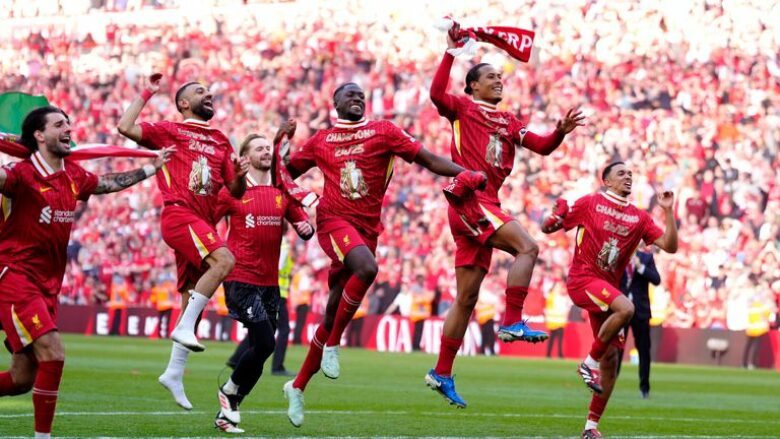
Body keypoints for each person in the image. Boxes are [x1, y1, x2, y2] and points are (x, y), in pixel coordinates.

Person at [282, 82, 482, 427]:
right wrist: (280, 151)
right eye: (350, 94)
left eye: (361, 95)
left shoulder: (384, 131)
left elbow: (428, 159)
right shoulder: (321, 140)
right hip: (333, 221)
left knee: (331, 313)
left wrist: (463, 172)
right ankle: (334, 345)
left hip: (367, 230)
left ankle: (297, 386)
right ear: (335, 103)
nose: (357, 98)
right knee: (367, 268)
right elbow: (285, 174)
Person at [424, 26, 585, 407]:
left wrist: (559, 132)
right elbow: (436, 94)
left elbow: (542, 147)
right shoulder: (462, 109)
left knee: (466, 299)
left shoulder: (509, 121)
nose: (499, 81)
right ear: (473, 86)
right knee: (528, 248)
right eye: (491, 77)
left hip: (484, 205)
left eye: (500, 77)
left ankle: (441, 372)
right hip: (471, 200)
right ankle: (512, 320)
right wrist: (450, 53)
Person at [0, 105, 172, 439]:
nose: (69, 128)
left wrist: (150, 169)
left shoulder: (74, 176)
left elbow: (106, 183)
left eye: (69, 123)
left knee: (22, 380)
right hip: (15, 277)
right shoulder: (21, 173)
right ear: (39, 135)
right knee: (54, 352)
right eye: (59, 124)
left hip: (48, 285)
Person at [117, 74, 250, 410]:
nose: (209, 93)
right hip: (179, 215)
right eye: (200, 91)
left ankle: (174, 372)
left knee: (192, 295)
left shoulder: (221, 140)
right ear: (184, 103)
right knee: (224, 261)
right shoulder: (170, 130)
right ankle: (185, 328)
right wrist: (147, 91)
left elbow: (235, 192)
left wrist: (240, 175)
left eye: (209, 90)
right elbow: (125, 127)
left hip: (202, 222)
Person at [541, 161, 678, 439]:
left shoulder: (639, 217)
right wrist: (554, 216)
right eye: (621, 173)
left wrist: (668, 211)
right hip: (583, 280)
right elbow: (548, 228)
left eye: (630, 173)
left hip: (606, 290)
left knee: (612, 361)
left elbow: (670, 246)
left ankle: (590, 427)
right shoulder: (590, 203)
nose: (628, 176)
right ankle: (588, 363)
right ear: (607, 181)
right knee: (627, 308)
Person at [212, 130, 313, 433]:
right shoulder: (233, 190)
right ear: (245, 157)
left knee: (262, 348)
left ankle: (228, 409)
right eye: (258, 148)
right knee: (267, 341)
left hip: (270, 284)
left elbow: (302, 221)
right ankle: (229, 390)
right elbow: (206, 222)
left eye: (268, 148)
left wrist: (306, 228)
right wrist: (214, 256)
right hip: (241, 278)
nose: (266, 152)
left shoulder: (281, 191)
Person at [617, 246, 660, 398]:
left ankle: (644, 388)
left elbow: (656, 279)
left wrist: (641, 267)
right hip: (620, 310)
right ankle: (609, 383)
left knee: (643, 350)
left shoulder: (646, 258)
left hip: (640, 311)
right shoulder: (618, 256)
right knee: (616, 348)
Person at [272, 234, 297, 376]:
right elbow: (280, 266)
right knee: (284, 329)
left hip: (273, 292)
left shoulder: (274, 242)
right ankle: (277, 366)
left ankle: (236, 359)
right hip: (279, 294)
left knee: (266, 326)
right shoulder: (284, 245)